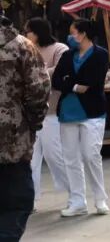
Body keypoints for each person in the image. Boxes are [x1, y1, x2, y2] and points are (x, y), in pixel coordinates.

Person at [52, 19, 110, 217]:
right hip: (67, 112)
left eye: (73, 32)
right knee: (70, 158)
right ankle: (77, 201)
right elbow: (56, 80)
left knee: (91, 155)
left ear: (83, 33)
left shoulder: (100, 54)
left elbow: (93, 82)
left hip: (92, 113)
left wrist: (70, 82)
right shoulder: (68, 55)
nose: (71, 36)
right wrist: (75, 86)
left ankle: (100, 198)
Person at [0, 12, 50, 240]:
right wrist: (31, 125)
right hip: (12, 143)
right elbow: (39, 90)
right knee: (14, 206)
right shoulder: (22, 46)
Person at [23, 19, 70, 204]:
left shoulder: (60, 49)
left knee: (54, 154)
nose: (26, 35)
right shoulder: (26, 50)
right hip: (30, 112)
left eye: (28, 31)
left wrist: (35, 73)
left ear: (37, 32)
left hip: (52, 110)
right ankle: (30, 198)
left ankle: (74, 192)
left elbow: (60, 70)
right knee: (31, 159)